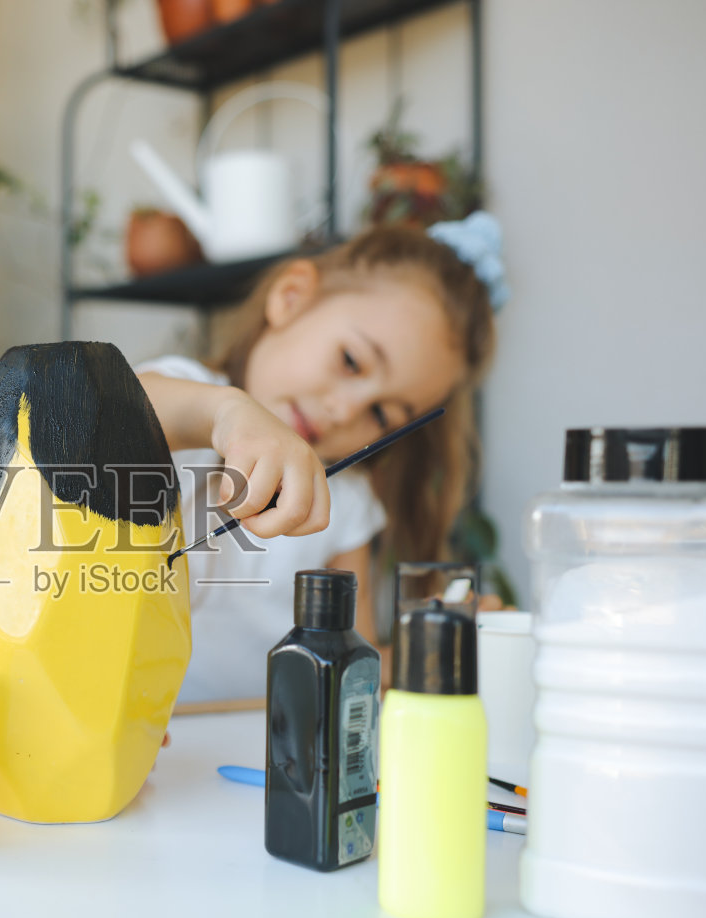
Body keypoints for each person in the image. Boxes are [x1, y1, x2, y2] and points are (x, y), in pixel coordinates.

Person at [137, 214, 507, 703]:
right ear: (291, 297)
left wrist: (433, 643)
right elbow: (109, 406)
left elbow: (355, 659)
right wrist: (229, 410)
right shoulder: (182, 392)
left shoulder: (344, 504)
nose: (344, 409)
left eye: (381, 413)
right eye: (351, 361)